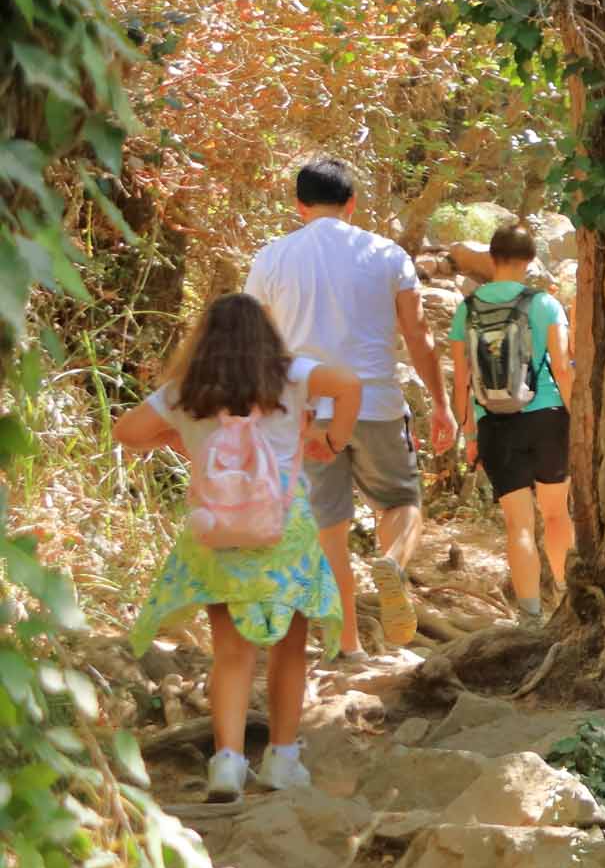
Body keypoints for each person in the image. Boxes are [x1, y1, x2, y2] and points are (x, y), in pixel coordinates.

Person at [117, 294, 357, 801]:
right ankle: (282, 760)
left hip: (217, 533)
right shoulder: (291, 375)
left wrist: (175, 436)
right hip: (283, 531)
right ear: (266, 336)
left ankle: (226, 764)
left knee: (230, 652)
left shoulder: (186, 389)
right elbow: (350, 385)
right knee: (291, 648)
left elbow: (127, 432)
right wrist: (329, 439)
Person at [245, 156, 453, 659]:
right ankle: (393, 566)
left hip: (306, 413)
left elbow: (256, 343)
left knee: (329, 531)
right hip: (376, 404)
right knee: (401, 503)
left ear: (299, 206)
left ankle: (349, 646)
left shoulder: (271, 258)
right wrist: (443, 403)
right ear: (352, 204)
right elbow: (418, 336)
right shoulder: (386, 255)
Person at [451, 222, 575, 624]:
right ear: (530, 261)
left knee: (518, 526)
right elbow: (561, 367)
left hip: (495, 423)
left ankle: (530, 617)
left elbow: (462, 378)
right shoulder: (544, 305)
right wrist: (578, 420)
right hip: (547, 419)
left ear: (491, 258)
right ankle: (567, 597)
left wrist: (469, 434)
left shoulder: (466, 309)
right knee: (556, 515)